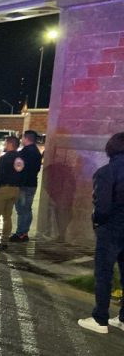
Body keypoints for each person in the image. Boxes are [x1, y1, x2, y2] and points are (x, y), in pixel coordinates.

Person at [78, 132, 124, 334]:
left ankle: (100, 318)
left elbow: (102, 207)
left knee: (104, 273)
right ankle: (122, 318)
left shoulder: (106, 172)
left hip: (111, 229)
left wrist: (97, 222)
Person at [10, 130, 43, 242]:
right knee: (27, 209)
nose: (21, 140)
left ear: (26, 138)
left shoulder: (25, 153)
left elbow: (19, 169)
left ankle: (21, 234)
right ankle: (24, 233)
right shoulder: (36, 151)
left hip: (24, 185)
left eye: (22, 138)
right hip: (31, 183)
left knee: (22, 210)